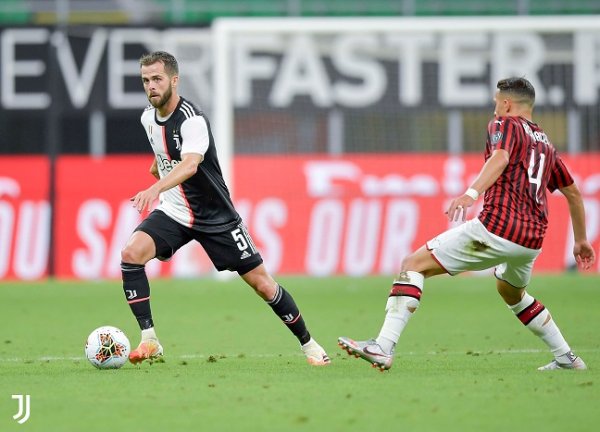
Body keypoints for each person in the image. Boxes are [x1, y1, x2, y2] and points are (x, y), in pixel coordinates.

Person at [339, 77, 595, 372]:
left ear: (507, 103)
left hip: (497, 227)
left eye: (497, 102)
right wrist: (580, 240)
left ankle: (382, 346)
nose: (495, 108)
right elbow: (573, 193)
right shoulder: (546, 145)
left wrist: (471, 193)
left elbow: (500, 157)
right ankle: (567, 358)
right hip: (531, 240)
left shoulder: (504, 124)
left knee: (413, 264)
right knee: (511, 292)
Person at [121, 51, 330, 366]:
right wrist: (159, 170)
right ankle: (149, 339)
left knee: (263, 284)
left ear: (174, 80)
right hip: (175, 211)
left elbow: (190, 164)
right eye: (146, 80)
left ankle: (310, 344)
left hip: (217, 217)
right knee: (131, 254)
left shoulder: (192, 119)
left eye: (157, 79)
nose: (151, 86)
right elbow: (163, 154)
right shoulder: (147, 118)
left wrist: (155, 187)